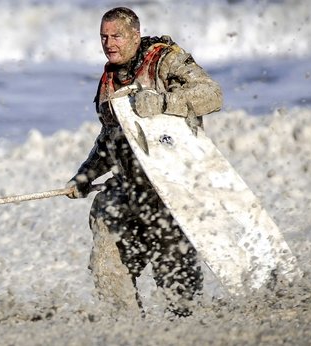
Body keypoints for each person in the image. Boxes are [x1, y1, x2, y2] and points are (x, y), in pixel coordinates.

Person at [66, 7, 223, 317]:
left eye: (117, 36)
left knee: (180, 297)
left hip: (171, 193)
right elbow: (110, 138)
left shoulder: (165, 60)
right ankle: (127, 330)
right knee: (106, 262)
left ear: (135, 36)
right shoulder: (108, 79)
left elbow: (212, 95)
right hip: (127, 191)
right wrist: (85, 175)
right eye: (104, 36)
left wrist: (164, 103)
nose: (109, 43)